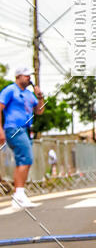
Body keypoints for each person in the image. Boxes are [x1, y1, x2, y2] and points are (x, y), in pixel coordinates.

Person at [0, 67, 45, 208]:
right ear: (18, 76)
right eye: (26, 76)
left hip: (25, 130)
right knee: (26, 158)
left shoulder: (29, 94)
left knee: (24, 160)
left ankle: (19, 195)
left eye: (29, 76)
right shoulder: (10, 90)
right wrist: (0, 130)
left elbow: (39, 111)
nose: (28, 78)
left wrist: (40, 97)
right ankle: (18, 195)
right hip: (14, 128)